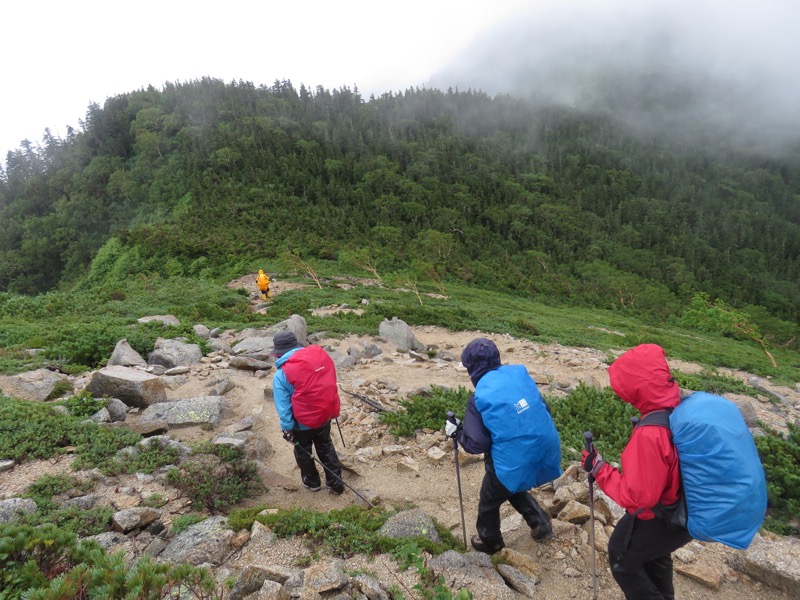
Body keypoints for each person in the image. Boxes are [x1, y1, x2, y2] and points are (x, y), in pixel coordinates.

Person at [581, 343, 692, 600]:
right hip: (683, 512)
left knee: (621, 556)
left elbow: (639, 497)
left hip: (661, 516)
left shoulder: (651, 434)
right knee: (654, 556)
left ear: (636, 387)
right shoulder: (676, 406)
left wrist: (599, 468)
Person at [446, 338, 562, 553]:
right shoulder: (520, 376)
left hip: (514, 459)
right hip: (547, 448)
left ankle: (491, 542)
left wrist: (457, 432)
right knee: (509, 485)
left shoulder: (479, 397)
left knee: (489, 501)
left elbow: (477, 444)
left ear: (471, 368)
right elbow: (545, 409)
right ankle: (541, 524)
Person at [271, 331, 344, 494]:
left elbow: (283, 407)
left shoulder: (281, 375)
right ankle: (336, 483)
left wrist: (287, 428)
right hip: (325, 415)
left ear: (278, 353)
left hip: (301, 423)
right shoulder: (318, 359)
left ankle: (312, 482)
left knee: (303, 450)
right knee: (325, 446)